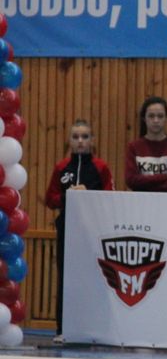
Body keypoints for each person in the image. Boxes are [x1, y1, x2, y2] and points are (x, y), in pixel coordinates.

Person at [45, 119, 115, 342]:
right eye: (76, 137)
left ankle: (97, 329)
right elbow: (50, 198)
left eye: (85, 137)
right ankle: (62, 329)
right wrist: (70, 196)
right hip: (67, 229)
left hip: (92, 231)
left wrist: (87, 194)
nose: (80, 141)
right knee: (65, 277)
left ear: (92, 141)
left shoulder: (100, 167)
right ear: (70, 141)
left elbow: (109, 196)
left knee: (96, 276)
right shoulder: (61, 167)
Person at [125, 96, 167, 192]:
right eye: (151, 116)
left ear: (166, 117)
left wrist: (145, 184)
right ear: (144, 118)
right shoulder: (134, 147)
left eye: (160, 116)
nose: (156, 120)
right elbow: (131, 181)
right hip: (140, 203)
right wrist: (164, 177)